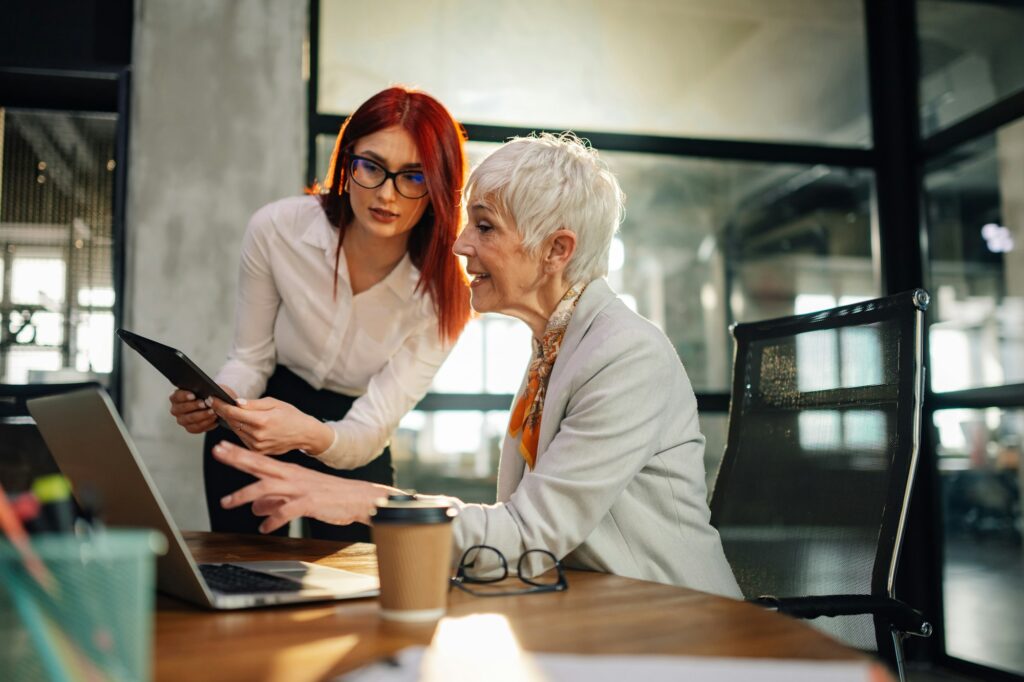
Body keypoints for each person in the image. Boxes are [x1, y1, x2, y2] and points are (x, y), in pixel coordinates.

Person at [210, 133, 741, 596]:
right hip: (595, 609)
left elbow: (525, 537)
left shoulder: (626, 356)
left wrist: (362, 499)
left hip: (675, 624)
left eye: (484, 228)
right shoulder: (555, 346)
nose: (460, 244)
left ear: (557, 249)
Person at [168, 87, 472, 542]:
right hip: (264, 408)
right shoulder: (278, 229)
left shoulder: (446, 296)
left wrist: (307, 433)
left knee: (349, 594)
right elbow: (250, 359)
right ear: (347, 161)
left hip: (355, 431)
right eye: (371, 167)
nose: (387, 195)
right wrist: (218, 401)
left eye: (413, 177)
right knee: (242, 573)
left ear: (438, 188)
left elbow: (370, 429)